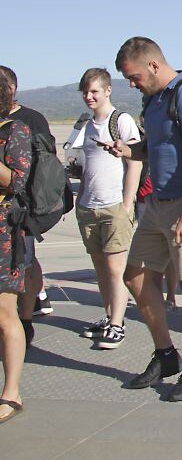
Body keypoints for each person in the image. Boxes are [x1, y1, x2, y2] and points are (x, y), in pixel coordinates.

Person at [108, 37, 182, 401]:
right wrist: (128, 150)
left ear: (153, 65)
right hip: (156, 204)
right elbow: (156, 148)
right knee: (134, 276)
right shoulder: (153, 100)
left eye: (134, 77)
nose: (133, 84)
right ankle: (166, 354)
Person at [74, 69, 142, 350]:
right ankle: (109, 316)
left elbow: (135, 161)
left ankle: (118, 324)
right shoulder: (86, 124)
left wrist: (127, 202)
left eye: (94, 92)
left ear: (107, 91)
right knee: (100, 267)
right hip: (89, 205)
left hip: (114, 206)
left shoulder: (122, 121)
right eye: (86, 93)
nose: (89, 97)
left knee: (116, 269)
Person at [0, 66, 54, 339]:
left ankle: (26, 317)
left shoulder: (30, 120)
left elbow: (46, 165)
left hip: (21, 208)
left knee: (27, 262)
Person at [0, 80, 31, 423]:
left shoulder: (15, 131)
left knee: (4, 312)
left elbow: (17, 181)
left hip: (4, 232)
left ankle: (12, 391)